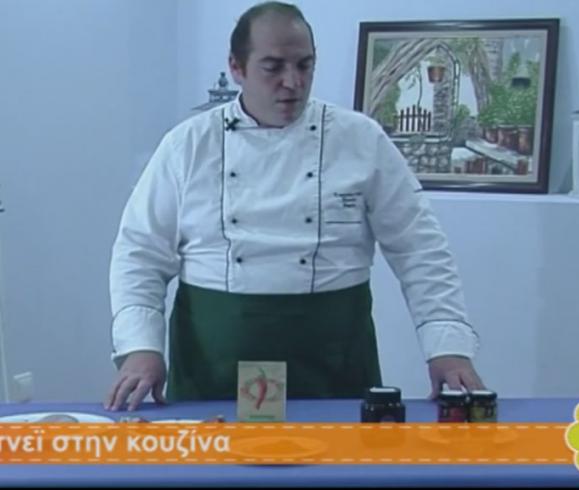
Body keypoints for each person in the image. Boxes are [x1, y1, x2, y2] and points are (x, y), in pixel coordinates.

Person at [105, 1, 485, 412]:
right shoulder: (188, 146)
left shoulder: (360, 140)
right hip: (212, 366)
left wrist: (448, 347)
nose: (293, 82)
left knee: (337, 455)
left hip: (333, 362)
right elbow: (141, 253)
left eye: (305, 65)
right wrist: (140, 348)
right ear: (236, 67)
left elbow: (420, 249)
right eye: (273, 67)